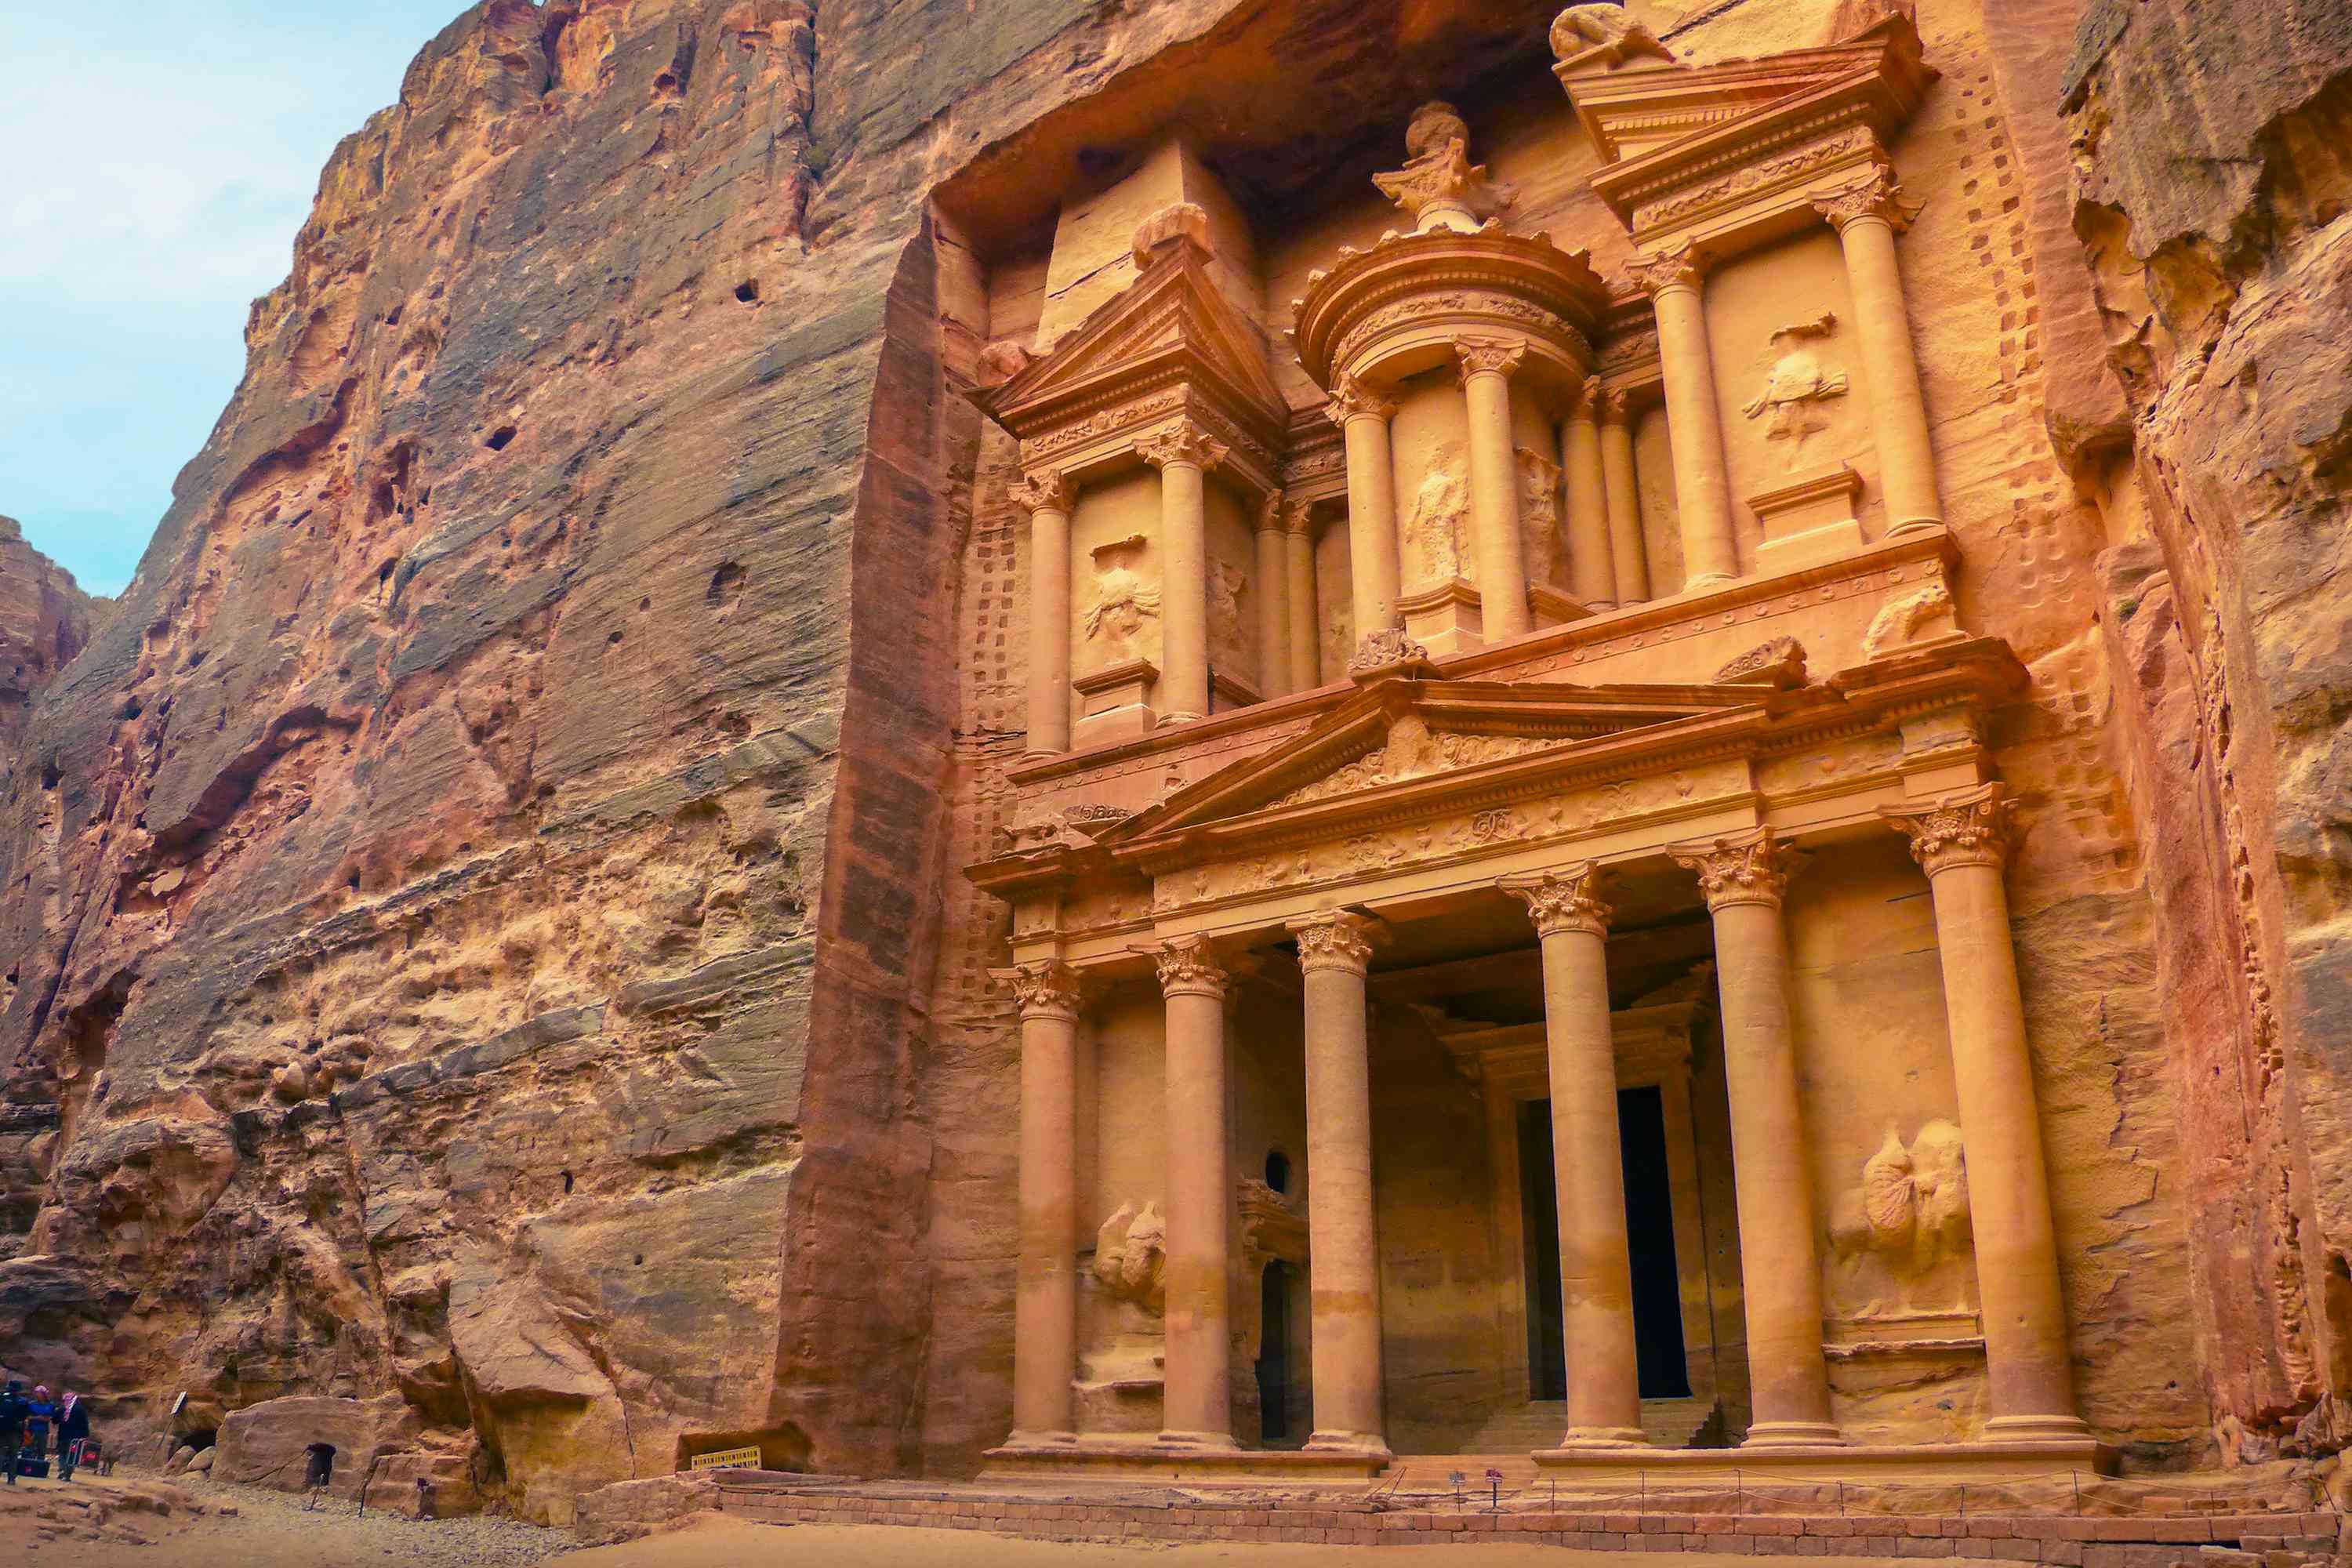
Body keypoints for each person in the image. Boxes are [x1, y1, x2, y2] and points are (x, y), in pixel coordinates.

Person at [54, 1392, 89, 1482]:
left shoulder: (62, 1409)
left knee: (62, 1454)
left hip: (62, 1436)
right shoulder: (80, 1409)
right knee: (72, 1455)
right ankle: (67, 1474)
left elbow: (54, 1421)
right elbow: (84, 1423)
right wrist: (85, 1435)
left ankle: (62, 1470)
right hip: (75, 1437)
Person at [0, 1381, 26, 1485]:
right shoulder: (22, 1401)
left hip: (1, 1429)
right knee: (13, 1455)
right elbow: (23, 1417)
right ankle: (11, 1479)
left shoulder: (1, 1397)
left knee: (1, 1453)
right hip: (15, 1430)